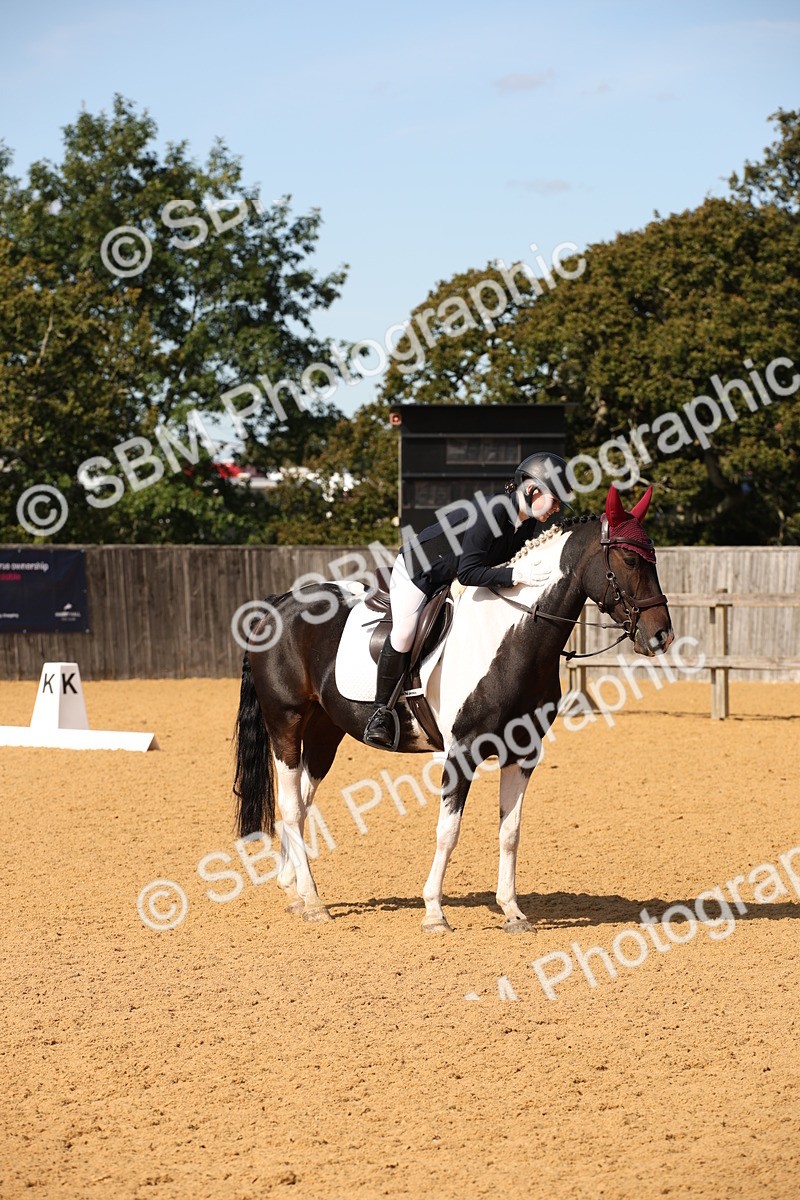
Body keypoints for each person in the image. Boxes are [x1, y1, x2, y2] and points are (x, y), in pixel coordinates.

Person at [363, 452, 572, 749]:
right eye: (555, 500)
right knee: (405, 633)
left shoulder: (526, 523)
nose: (557, 508)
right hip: (418, 571)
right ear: (533, 490)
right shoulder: (493, 513)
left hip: (451, 576)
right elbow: (470, 572)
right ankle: (380, 711)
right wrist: (516, 574)